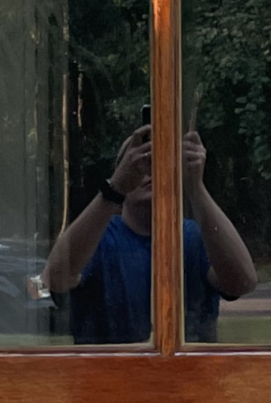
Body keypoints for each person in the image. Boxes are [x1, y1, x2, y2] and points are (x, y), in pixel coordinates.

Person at [42, 123, 257, 343]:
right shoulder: (97, 236)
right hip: (106, 375)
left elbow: (243, 283)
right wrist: (115, 188)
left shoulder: (194, 237)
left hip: (190, 375)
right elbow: (55, 278)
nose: (151, 172)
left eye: (161, 163)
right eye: (141, 163)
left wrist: (195, 187)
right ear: (123, 171)